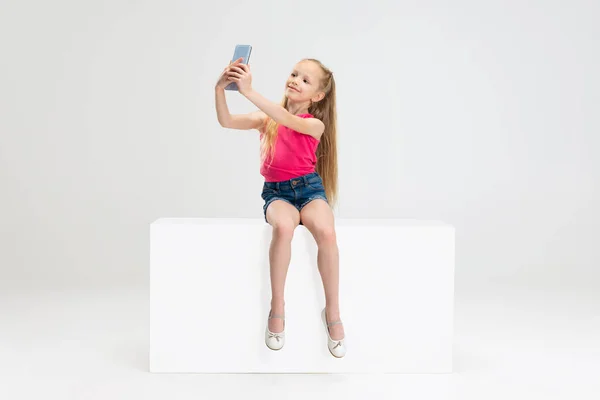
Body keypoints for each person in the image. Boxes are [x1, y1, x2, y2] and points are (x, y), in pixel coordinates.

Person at [214, 57, 346, 358]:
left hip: (309, 190)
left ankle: (333, 310)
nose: (295, 80)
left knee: (327, 233)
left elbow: (288, 120)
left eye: (305, 80)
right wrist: (220, 90)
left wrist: (248, 91)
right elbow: (227, 121)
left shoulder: (314, 124)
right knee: (284, 227)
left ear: (317, 97)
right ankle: (277, 306)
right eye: (294, 74)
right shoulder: (267, 118)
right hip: (278, 193)